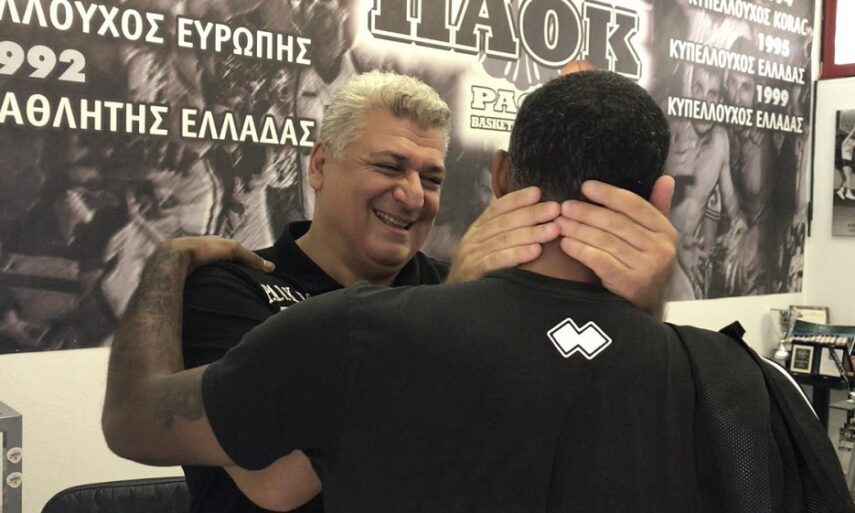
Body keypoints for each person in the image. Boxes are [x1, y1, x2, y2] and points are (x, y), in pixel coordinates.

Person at [103, 70, 852, 512]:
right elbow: (270, 485)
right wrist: (168, 261)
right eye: (388, 166)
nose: (412, 194)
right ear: (320, 164)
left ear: (499, 177)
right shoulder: (244, 287)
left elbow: (570, 397)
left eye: (431, 176)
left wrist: (632, 310)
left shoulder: (408, 303)